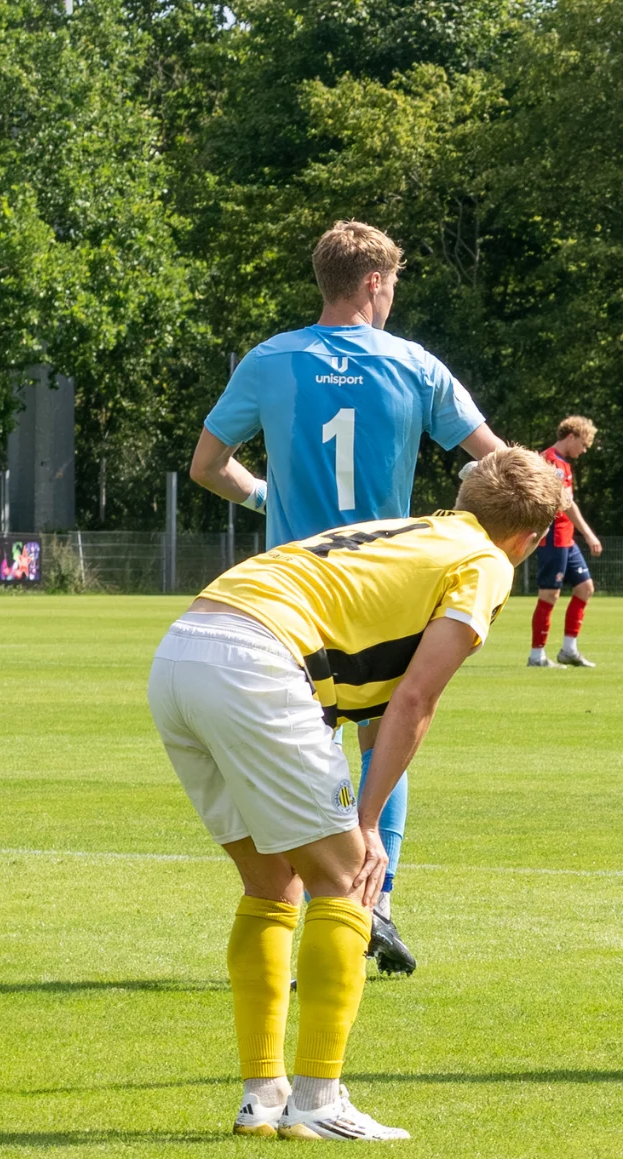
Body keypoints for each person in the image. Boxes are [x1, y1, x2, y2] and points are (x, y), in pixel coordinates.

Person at [147, 448, 566, 1140]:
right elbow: (415, 699)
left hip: (186, 647)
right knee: (347, 881)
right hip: (260, 660)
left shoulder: (418, 530)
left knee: (271, 882)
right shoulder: (487, 562)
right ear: (532, 535)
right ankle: (318, 1101)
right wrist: (368, 821)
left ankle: (264, 1097)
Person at [188, 220, 507, 976]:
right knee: (383, 739)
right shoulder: (414, 365)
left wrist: (267, 495)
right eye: (392, 285)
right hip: (384, 589)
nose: (393, 298)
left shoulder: (270, 360)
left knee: (305, 747)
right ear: (373, 283)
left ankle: (311, 908)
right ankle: (378, 902)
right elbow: (499, 464)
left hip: (291, 589)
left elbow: (207, 464)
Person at [528, 416, 604, 668]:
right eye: (583, 444)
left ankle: (569, 650)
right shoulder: (550, 462)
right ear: (571, 437)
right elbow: (565, 504)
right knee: (550, 594)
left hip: (567, 537)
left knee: (585, 588)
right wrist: (589, 534)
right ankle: (537, 656)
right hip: (553, 536)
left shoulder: (563, 464)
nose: (583, 451)